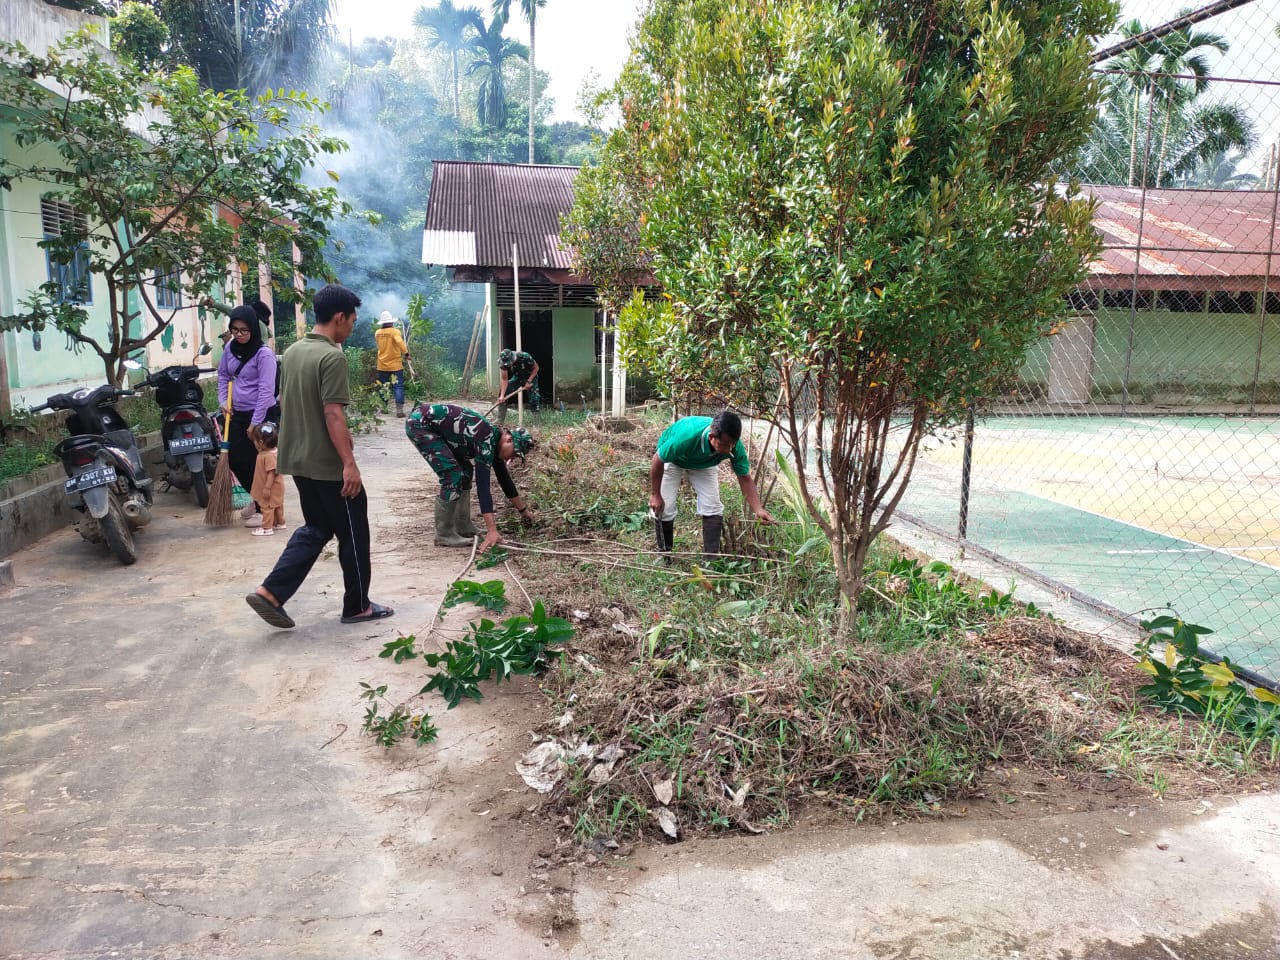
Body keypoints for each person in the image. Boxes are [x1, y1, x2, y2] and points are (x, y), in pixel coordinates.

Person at [245, 283, 393, 629]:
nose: (352, 329)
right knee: (354, 533)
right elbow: (332, 414)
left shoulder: (294, 351)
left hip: (298, 461)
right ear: (339, 318)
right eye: (352, 322)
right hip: (327, 466)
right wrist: (349, 464)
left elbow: (289, 402)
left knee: (317, 528)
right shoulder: (332, 356)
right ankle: (357, 606)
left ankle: (270, 592)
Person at [405, 402, 536, 551]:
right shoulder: (486, 441)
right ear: (508, 440)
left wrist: (523, 511)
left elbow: (505, 480)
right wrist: (492, 530)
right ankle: (444, 533)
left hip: (431, 425)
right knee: (453, 475)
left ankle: (463, 525)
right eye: (513, 453)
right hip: (421, 425)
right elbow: (483, 488)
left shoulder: (494, 441)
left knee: (465, 470)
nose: (509, 459)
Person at [649, 410, 775, 560]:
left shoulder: (734, 446)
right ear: (711, 437)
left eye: (732, 444)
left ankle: (710, 562)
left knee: (713, 507)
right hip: (675, 459)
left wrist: (758, 509)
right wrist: (656, 495)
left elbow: (745, 478)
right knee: (665, 506)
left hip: (704, 464)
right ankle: (665, 555)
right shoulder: (686, 437)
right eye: (724, 445)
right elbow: (658, 459)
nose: (729, 449)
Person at [217, 305, 279, 528]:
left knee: (261, 461)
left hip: (261, 414)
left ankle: (265, 509)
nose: (239, 334)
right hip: (237, 413)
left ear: (253, 328)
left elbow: (266, 390)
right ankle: (257, 499)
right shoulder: (229, 350)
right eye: (235, 330)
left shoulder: (264, 355)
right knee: (234, 456)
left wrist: (255, 424)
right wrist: (223, 401)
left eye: (244, 330)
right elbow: (223, 375)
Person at [247, 422, 286, 537]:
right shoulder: (274, 452)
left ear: (260, 442)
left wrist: (267, 488)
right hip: (278, 486)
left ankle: (267, 528)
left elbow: (271, 473)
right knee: (277, 505)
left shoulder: (267, 456)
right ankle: (280, 523)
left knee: (267, 507)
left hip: (270, 487)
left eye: (254, 441)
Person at [374, 310, 409, 417]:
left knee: (383, 386)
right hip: (395, 365)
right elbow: (399, 342)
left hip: (382, 364)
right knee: (398, 386)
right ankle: (399, 410)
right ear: (391, 322)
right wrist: (406, 353)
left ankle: (384, 408)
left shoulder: (377, 333)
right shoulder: (394, 332)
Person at [497, 347, 540, 423]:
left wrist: (529, 381)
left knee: (534, 398)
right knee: (503, 393)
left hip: (531, 376)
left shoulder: (525, 356)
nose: (508, 365)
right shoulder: (503, 363)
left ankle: (536, 423)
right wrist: (502, 396)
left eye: (509, 363)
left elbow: (536, 368)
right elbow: (504, 379)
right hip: (518, 377)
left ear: (512, 358)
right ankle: (500, 422)